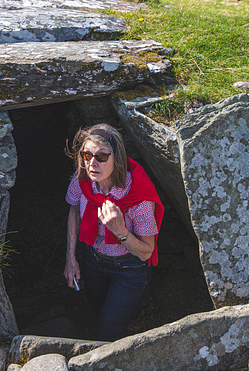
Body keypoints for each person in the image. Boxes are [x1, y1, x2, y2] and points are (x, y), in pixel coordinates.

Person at [64, 123, 164, 341]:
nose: (92, 163)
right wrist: (70, 257)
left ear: (116, 158)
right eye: (86, 155)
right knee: (98, 313)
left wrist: (121, 231)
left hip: (129, 268)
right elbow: (74, 210)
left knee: (108, 331)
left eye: (101, 157)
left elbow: (146, 252)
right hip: (93, 260)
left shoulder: (139, 197)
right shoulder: (82, 180)